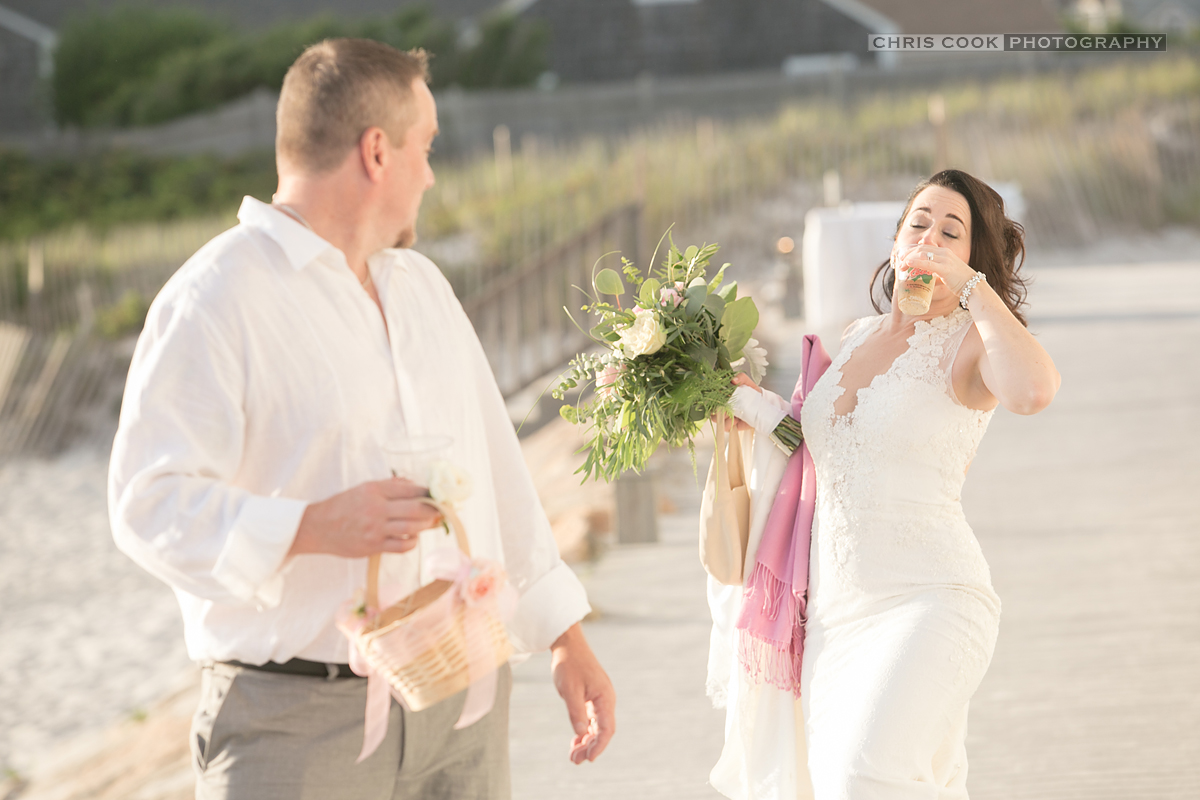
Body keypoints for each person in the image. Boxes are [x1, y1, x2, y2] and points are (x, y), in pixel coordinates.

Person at [109, 39, 614, 799]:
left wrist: (564, 637)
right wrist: (310, 526)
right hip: (294, 727)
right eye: (427, 146)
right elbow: (145, 505)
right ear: (377, 151)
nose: (432, 175)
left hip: (463, 703)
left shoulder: (422, 288)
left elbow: (498, 470)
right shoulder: (213, 300)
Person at [710, 168, 1061, 799]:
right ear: (896, 240)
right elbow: (813, 446)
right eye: (918, 223)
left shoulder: (970, 346)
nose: (928, 237)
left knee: (864, 778)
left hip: (931, 598)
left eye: (950, 232)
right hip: (834, 620)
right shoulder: (857, 336)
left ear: (970, 261)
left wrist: (976, 294)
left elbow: (1033, 392)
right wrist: (746, 403)